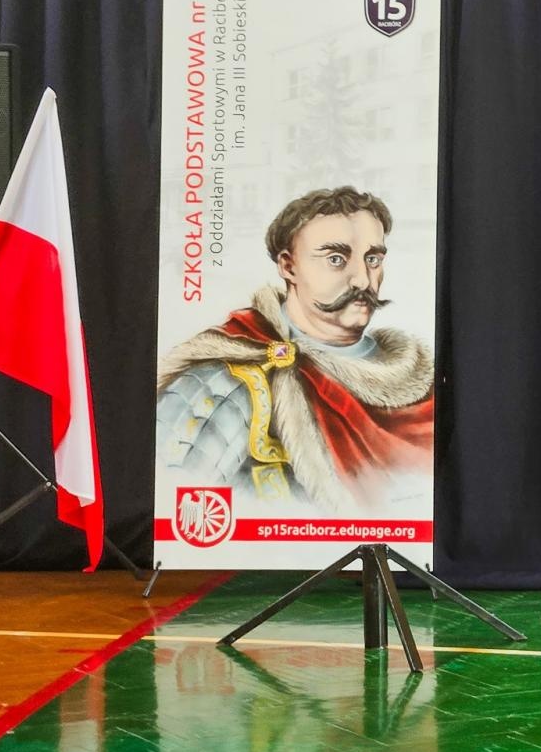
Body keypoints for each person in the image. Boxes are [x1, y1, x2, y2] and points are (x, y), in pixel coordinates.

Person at [157, 185, 434, 509]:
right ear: (288, 266)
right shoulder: (224, 382)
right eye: (336, 258)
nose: (362, 280)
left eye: (373, 259)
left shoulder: (421, 383)